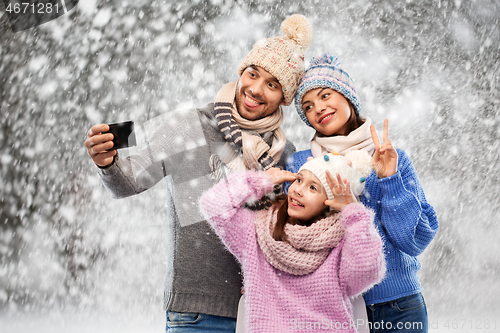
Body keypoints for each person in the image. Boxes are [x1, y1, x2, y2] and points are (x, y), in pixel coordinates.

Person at [84, 14, 312, 333]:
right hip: (194, 313)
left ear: (284, 98)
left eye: (272, 84)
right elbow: (128, 181)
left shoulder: (286, 156)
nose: (256, 89)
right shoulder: (189, 126)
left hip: (264, 312)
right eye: (253, 73)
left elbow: (293, 236)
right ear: (241, 71)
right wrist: (107, 161)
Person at [286, 53, 439, 332]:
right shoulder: (301, 165)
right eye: (308, 106)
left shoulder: (391, 158)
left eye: (325, 96)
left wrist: (390, 180)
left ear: (348, 98)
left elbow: (413, 241)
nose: (318, 108)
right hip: (330, 309)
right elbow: (290, 238)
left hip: (398, 307)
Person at [199, 151, 385, 332]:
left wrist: (354, 212)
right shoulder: (258, 232)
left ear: (330, 203)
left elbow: (367, 272)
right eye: (299, 180)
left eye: (313, 188)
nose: (298, 190)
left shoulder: (344, 243)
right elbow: (213, 204)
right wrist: (261, 180)